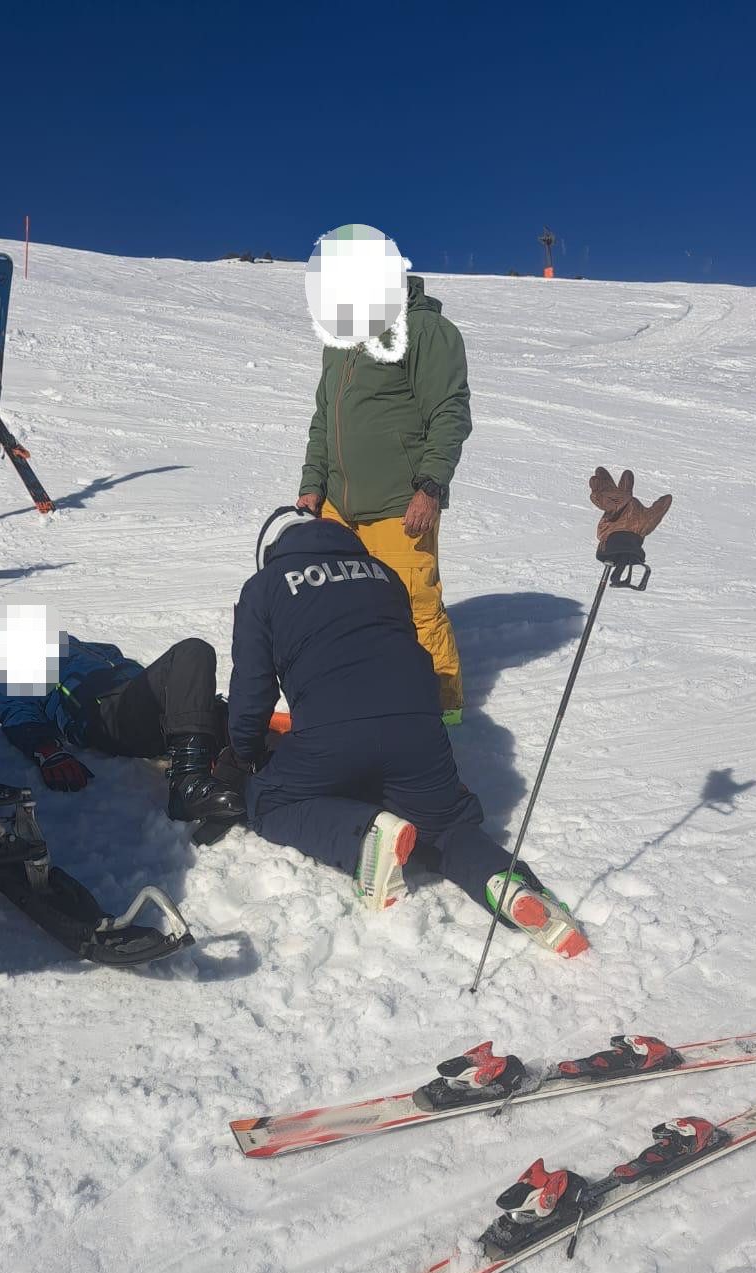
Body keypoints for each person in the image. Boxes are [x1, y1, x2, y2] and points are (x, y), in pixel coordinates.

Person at [224, 507, 588, 957]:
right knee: (448, 827)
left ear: (273, 552)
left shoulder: (264, 587)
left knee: (269, 800)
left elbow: (252, 688)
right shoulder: (383, 574)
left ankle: (366, 837)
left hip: (333, 734)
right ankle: (507, 884)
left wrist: (245, 751)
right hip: (418, 730)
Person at [296, 272, 472, 722]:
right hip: (337, 505)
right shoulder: (339, 340)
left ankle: (441, 714)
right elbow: (324, 420)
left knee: (415, 606)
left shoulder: (427, 330)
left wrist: (430, 486)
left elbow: (449, 412)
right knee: (337, 608)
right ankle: (353, 700)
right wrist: (313, 483)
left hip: (401, 501)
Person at [0, 635, 244, 824]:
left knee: (234, 714)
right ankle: (187, 785)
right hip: (103, 714)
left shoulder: (92, 648)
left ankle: (267, 759)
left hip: (141, 702)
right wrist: (46, 748)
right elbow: (14, 711)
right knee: (193, 650)